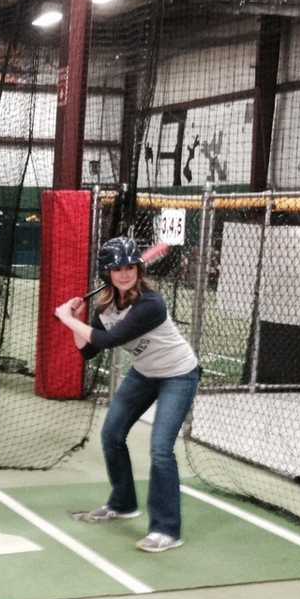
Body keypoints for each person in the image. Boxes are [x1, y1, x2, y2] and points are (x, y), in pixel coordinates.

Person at [53, 236, 201, 553]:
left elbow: (111, 340)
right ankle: (122, 504)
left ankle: (166, 530)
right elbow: (89, 351)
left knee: (161, 449)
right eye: (117, 268)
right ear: (107, 273)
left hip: (178, 374)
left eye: (130, 266)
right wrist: (77, 320)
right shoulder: (106, 306)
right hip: (145, 374)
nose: (124, 273)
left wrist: (66, 319)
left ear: (138, 268)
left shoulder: (150, 303)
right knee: (112, 434)